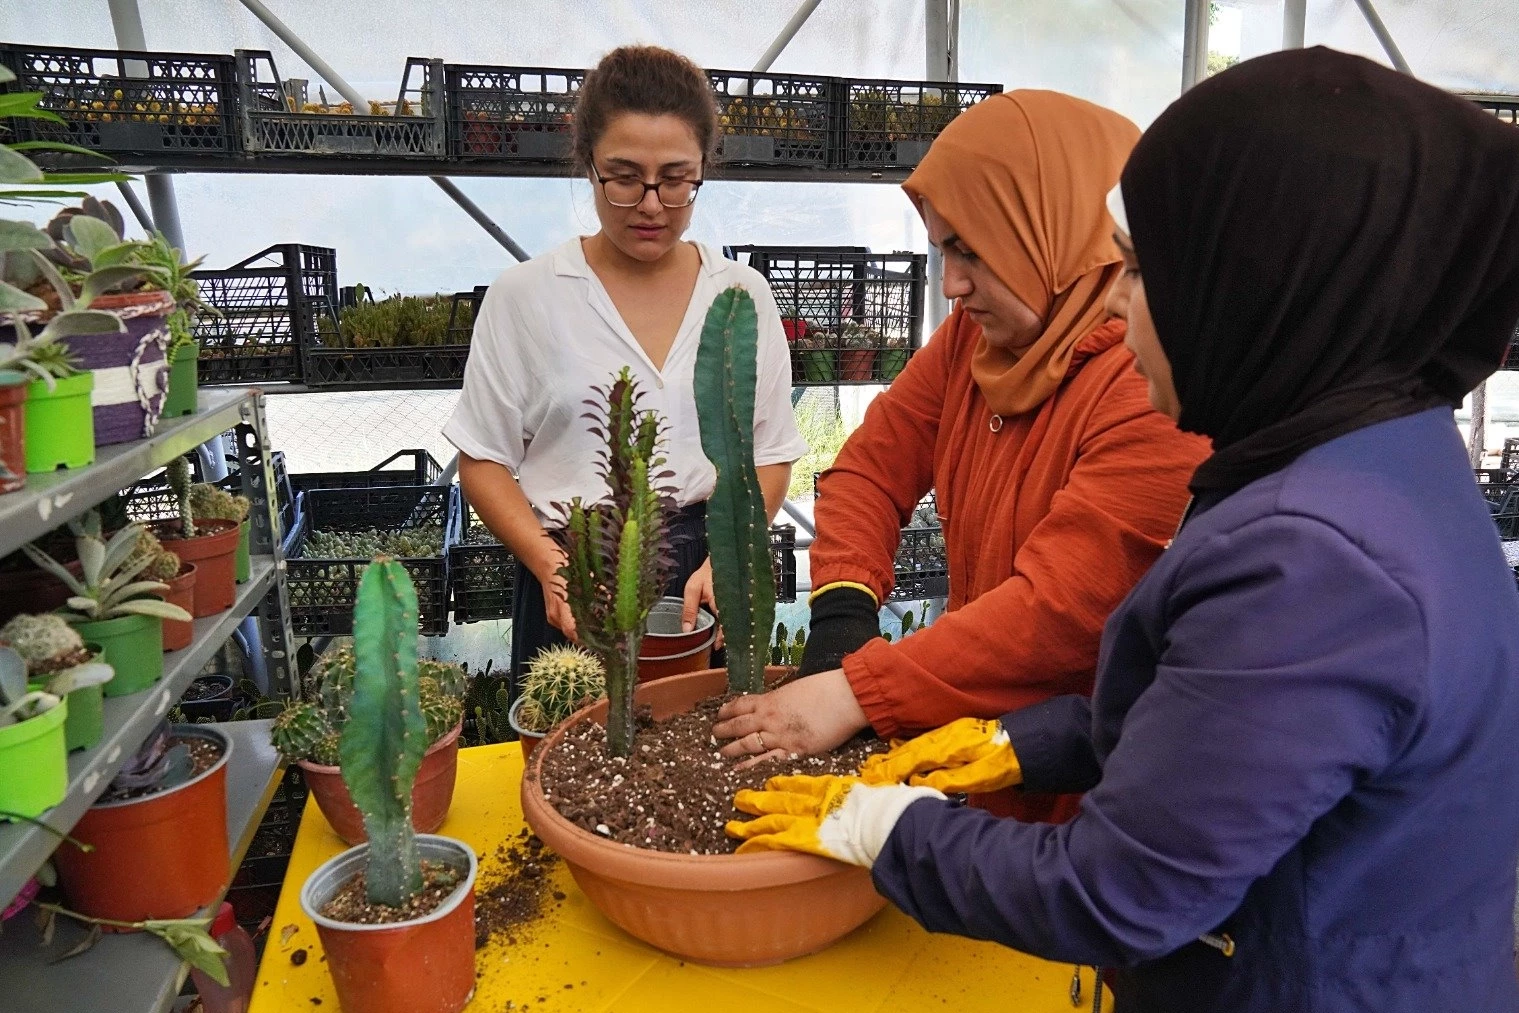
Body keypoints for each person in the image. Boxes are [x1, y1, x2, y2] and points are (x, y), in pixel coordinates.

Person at [725, 48, 1519, 1012]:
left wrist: (881, 828)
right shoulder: (1378, 451)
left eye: (1141, 270)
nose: (1110, 295)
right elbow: (1223, 722)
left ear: (1257, 283)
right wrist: (1020, 739)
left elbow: (1120, 890)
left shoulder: (1313, 560)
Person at [713, 89, 1208, 825]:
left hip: (1089, 793)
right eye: (943, 248)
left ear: (1054, 230)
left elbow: (1058, 613)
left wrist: (858, 692)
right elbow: (869, 469)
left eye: (972, 250)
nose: (950, 283)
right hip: (975, 753)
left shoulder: (1149, 382)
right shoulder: (976, 344)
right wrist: (843, 613)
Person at [444, 46, 807, 689]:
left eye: (676, 178)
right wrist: (553, 567)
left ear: (703, 170)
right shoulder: (527, 294)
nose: (651, 204)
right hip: (573, 566)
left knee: (711, 762)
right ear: (588, 166)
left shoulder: (740, 296)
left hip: (707, 567)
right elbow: (483, 460)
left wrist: (730, 554)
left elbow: (770, 451)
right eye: (624, 176)